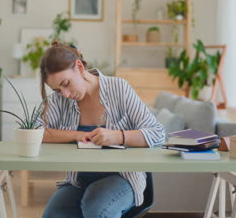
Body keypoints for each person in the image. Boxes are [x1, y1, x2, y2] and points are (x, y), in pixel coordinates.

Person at [37, 42, 165, 218]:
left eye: (66, 84)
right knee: (52, 215)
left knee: (97, 208)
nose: (64, 94)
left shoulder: (119, 88)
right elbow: (35, 131)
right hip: (79, 180)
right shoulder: (60, 100)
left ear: (79, 67)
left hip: (123, 177)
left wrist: (118, 136)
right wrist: (78, 135)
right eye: (57, 90)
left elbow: (157, 134)